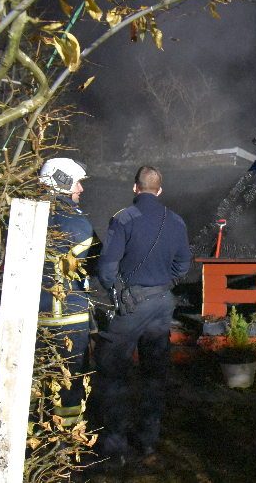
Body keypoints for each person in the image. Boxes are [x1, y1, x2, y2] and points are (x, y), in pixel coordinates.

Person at [94, 165, 192, 468]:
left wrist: (118, 292)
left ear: (136, 188)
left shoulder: (123, 219)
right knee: (154, 375)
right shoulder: (176, 221)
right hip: (162, 304)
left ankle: (114, 448)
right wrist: (165, 283)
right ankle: (147, 441)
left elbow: (107, 269)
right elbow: (183, 266)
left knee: (113, 372)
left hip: (131, 306)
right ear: (159, 190)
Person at [38, 157, 99, 427]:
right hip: (72, 317)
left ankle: (35, 435)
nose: (81, 190)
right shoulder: (81, 226)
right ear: (62, 182)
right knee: (70, 380)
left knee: (37, 378)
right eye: (77, 183)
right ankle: (66, 441)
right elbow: (96, 265)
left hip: (35, 316)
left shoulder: (25, 216)